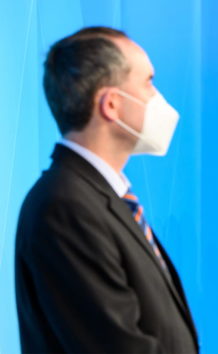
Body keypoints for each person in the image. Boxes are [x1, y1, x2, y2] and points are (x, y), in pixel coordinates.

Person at [14, 27, 197, 353]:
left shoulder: (102, 197)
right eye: (148, 83)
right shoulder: (65, 207)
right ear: (111, 104)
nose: (158, 98)